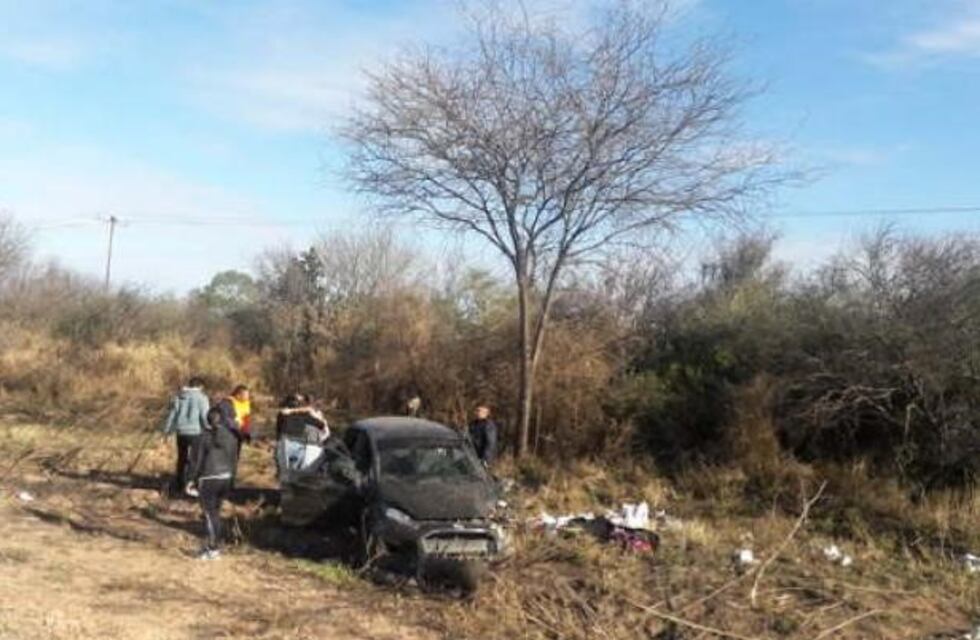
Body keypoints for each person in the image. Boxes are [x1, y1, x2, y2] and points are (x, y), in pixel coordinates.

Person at [189, 404, 244, 560]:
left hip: (209, 478)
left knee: (209, 513)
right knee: (215, 513)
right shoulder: (232, 437)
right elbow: (234, 460)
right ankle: (213, 546)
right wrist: (232, 479)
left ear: (208, 420)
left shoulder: (202, 437)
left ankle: (213, 548)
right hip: (226, 477)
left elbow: (195, 461)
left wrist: (191, 480)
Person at [161, 376, 209, 497]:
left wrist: (167, 431)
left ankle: (179, 483)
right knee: (194, 459)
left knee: (182, 458)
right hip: (196, 432)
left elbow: (172, 415)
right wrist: (210, 428)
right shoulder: (202, 398)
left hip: (181, 432)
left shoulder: (179, 397)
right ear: (200, 387)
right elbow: (204, 416)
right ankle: (190, 484)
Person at [275, 393, 329, 482]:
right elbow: (323, 427)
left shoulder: (288, 413)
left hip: (306, 444)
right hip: (303, 444)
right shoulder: (289, 414)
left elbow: (324, 429)